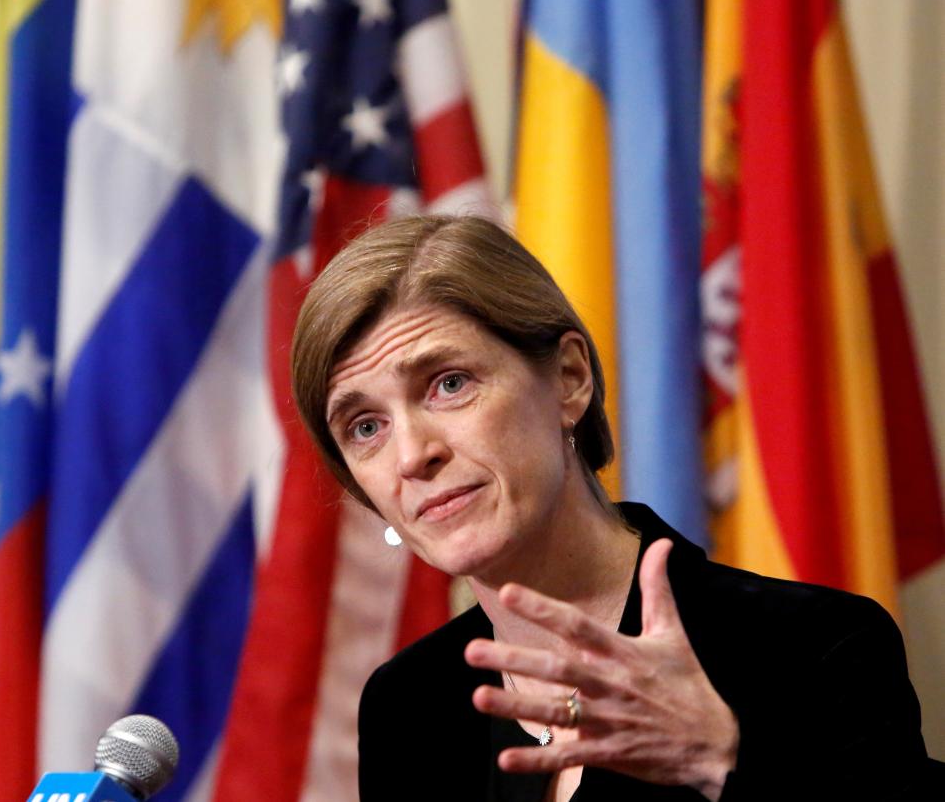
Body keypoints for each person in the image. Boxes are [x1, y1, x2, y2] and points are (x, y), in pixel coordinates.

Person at [288, 214, 940, 800]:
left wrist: (721, 758)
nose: (411, 455)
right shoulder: (408, 706)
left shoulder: (811, 648)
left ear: (568, 378)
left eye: (449, 383)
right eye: (364, 426)